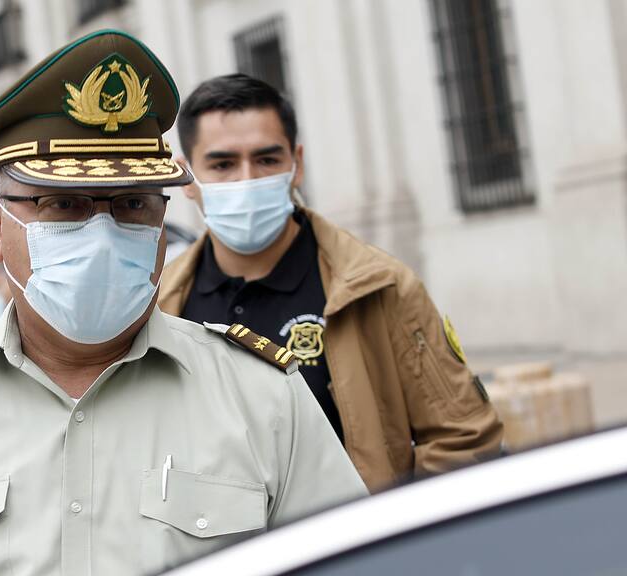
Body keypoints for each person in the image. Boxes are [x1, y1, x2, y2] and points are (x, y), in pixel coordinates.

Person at [0, 33, 367, 576]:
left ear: (163, 222)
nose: (102, 235)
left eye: (132, 204)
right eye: (63, 204)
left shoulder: (263, 398)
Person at [159, 74, 504, 492]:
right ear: (186, 176)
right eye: (223, 164)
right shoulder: (160, 306)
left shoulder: (378, 287)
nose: (246, 180)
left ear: (297, 164)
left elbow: (464, 439)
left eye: (267, 160)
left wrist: (387, 527)